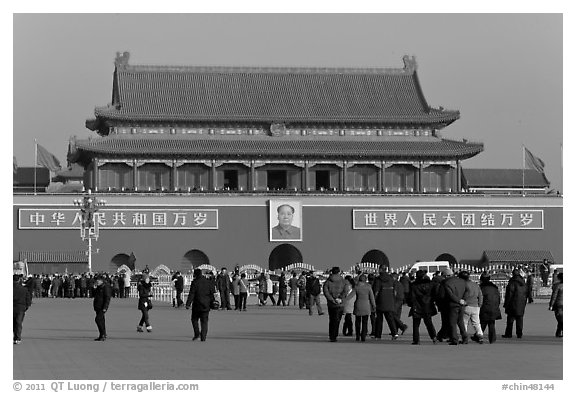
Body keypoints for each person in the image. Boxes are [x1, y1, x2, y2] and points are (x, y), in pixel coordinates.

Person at [407, 270, 437, 345]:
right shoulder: (430, 284)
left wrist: (410, 304)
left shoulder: (414, 285)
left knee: (416, 325)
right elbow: (434, 294)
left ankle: (416, 340)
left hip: (417, 306)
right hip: (427, 305)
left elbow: (411, 297)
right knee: (429, 323)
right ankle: (434, 337)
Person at [186, 269, 216, 341]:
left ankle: (197, 334)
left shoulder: (195, 282)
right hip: (206, 304)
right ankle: (203, 337)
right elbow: (212, 293)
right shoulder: (208, 282)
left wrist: (188, 304)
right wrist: (213, 302)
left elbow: (192, 294)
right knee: (204, 321)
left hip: (197, 304)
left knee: (194, 319)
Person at [441, 268, 467, 345]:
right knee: (461, 322)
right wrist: (463, 300)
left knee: (452, 323)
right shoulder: (462, 281)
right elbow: (467, 291)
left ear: (446, 276)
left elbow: (450, 295)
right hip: (462, 305)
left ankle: (455, 339)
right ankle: (465, 338)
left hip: (453, 305)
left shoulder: (446, 283)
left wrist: (458, 300)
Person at [323, 266, 347, 342]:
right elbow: (345, 291)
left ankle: (331, 335)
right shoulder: (343, 281)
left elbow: (326, 292)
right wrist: (340, 298)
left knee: (332, 319)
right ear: (339, 272)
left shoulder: (328, 281)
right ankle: (334, 335)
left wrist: (332, 300)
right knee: (337, 320)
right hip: (340, 304)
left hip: (331, 304)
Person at [503, 269, 528, 339]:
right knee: (519, 319)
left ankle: (508, 333)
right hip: (521, 303)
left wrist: (506, 304)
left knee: (510, 319)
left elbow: (509, 295)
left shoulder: (512, 282)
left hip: (512, 303)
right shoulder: (523, 282)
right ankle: (519, 334)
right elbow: (526, 293)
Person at [459, 270, 484, 344]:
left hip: (466, 305)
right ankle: (480, 335)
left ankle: (464, 337)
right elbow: (480, 295)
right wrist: (480, 304)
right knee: (476, 323)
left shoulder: (463, 285)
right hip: (475, 306)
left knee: (464, 322)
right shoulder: (475, 284)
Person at [479, 272, 502, 344]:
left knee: (482, 323)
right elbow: (498, 298)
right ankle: (492, 339)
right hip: (494, 307)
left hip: (485, 307)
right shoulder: (494, 287)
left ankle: (479, 336)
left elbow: (480, 298)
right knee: (491, 323)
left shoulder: (481, 287)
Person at [353, 274, 376, 342]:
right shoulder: (368, 287)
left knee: (357, 322)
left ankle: (357, 336)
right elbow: (372, 297)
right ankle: (363, 336)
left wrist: (343, 300)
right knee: (365, 322)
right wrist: (374, 305)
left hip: (358, 304)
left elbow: (350, 295)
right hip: (366, 305)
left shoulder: (356, 287)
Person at [13, 274, 32, 345]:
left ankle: (15, 336)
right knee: (18, 323)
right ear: (19, 280)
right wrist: (25, 308)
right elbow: (28, 300)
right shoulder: (24, 289)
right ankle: (17, 338)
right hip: (20, 308)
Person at [93, 274, 112, 341]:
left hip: (102, 307)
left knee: (97, 320)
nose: (97, 281)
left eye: (98, 280)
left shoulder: (106, 287)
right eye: (96, 280)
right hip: (98, 306)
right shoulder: (99, 287)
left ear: (101, 281)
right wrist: (94, 288)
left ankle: (103, 334)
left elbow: (107, 298)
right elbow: (94, 295)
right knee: (102, 321)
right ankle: (102, 335)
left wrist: (105, 308)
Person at [549, 272, 563, 337]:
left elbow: (554, 296)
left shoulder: (558, 286)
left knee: (560, 319)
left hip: (559, 304)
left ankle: (559, 332)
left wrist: (551, 305)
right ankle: (558, 332)